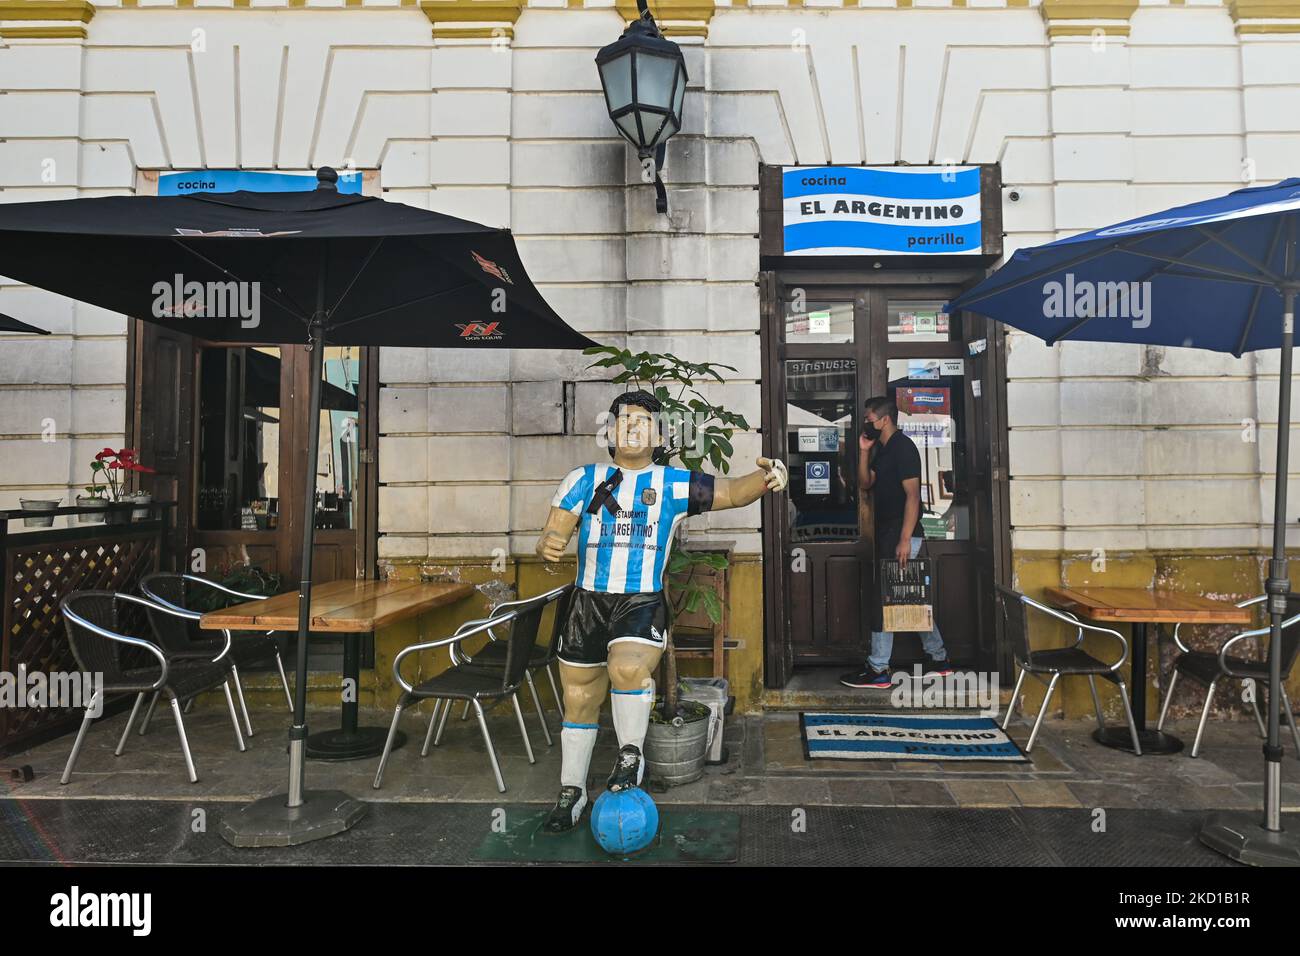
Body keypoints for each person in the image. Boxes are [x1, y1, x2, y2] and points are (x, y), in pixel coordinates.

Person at [535, 389, 788, 831]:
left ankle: (630, 755)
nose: (632, 428)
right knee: (578, 700)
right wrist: (547, 545)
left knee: (629, 669)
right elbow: (552, 533)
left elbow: (730, 491)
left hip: (640, 601)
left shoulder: (672, 483)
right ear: (608, 431)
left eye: (642, 421)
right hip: (586, 601)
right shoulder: (582, 478)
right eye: (623, 420)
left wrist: (765, 478)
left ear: (659, 434)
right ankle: (571, 792)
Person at [840, 395, 952, 689]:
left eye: (869, 418)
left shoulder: (904, 448)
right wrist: (864, 452)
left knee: (886, 600)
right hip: (891, 532)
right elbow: (866, 483)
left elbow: (913, 496)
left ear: (884, 419)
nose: (866, 423)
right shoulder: (883, 450)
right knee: (909, 600)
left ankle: (878, 667)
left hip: (904, 535)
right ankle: (938, 659)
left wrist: (904, 539)